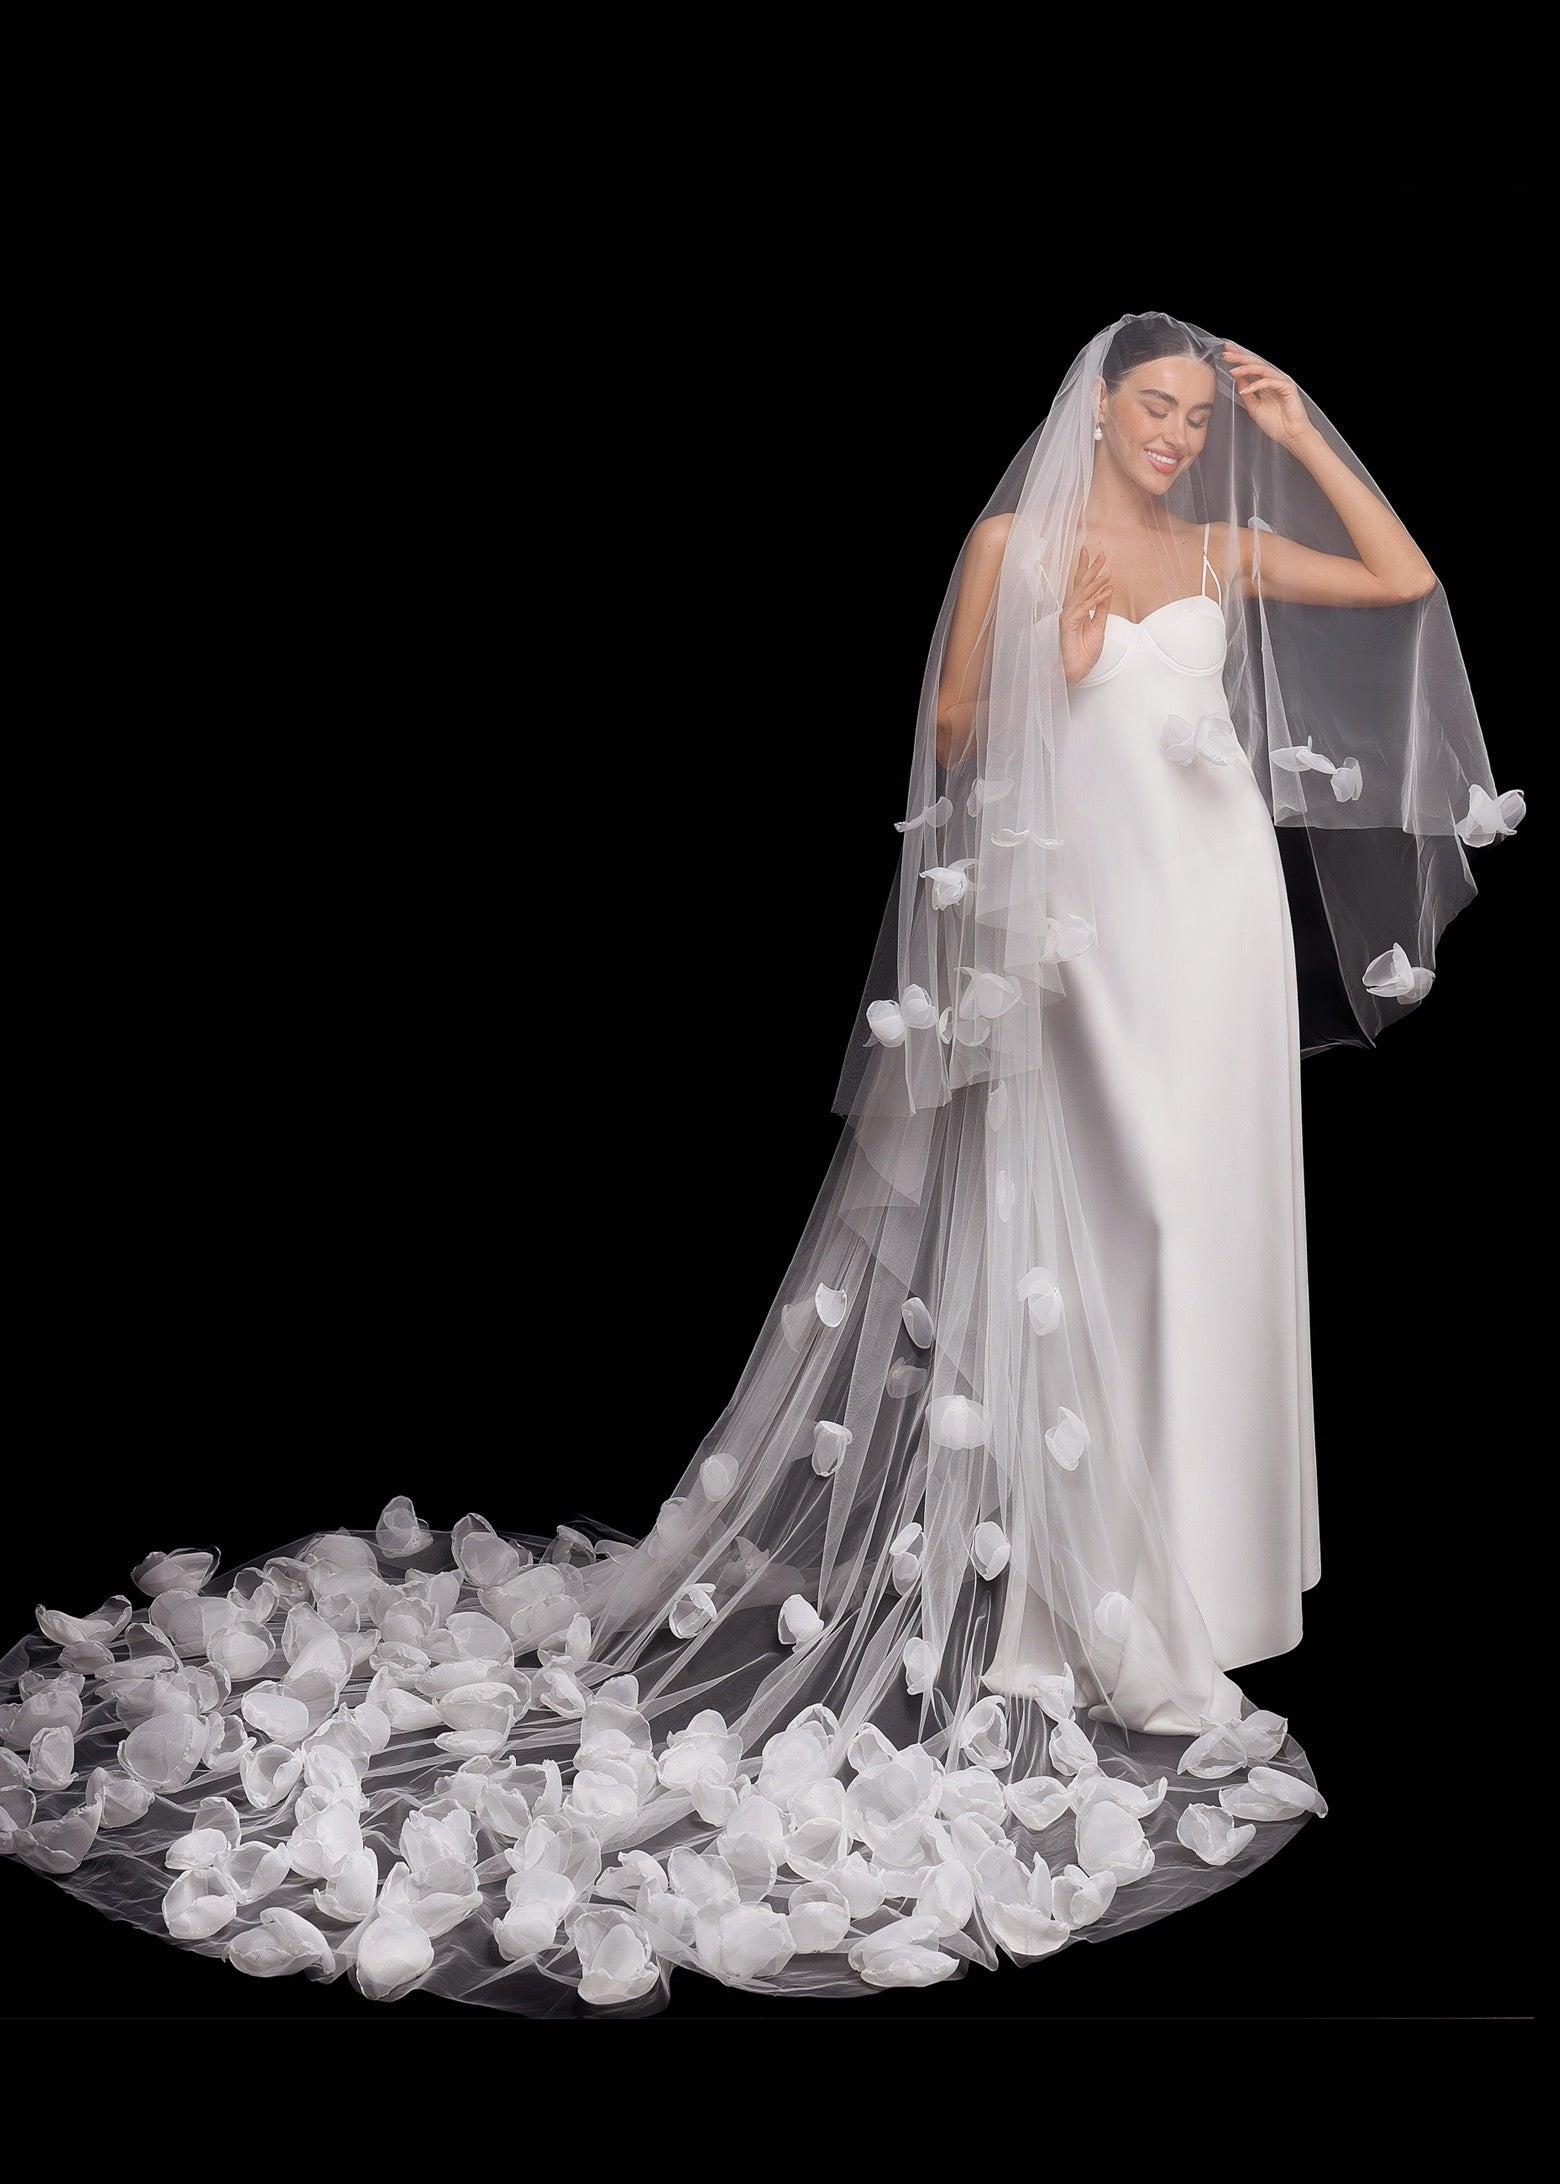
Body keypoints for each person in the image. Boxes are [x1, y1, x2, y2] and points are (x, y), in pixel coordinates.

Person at [0, 314, 1519, 2017]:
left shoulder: (1224, 535)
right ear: (1093, 412)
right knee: (1120, 1223)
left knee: (1215, 1236)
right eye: (1148, 410)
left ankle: (1198, 1593)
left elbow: (1396, 581)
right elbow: (950, 725)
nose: (1172, 436)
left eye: (1190, 415)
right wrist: (1064, 658)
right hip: (1097, 928)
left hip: (1220, 920)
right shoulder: (1020, 538)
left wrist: (1299, 432)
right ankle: (1090, 1606)